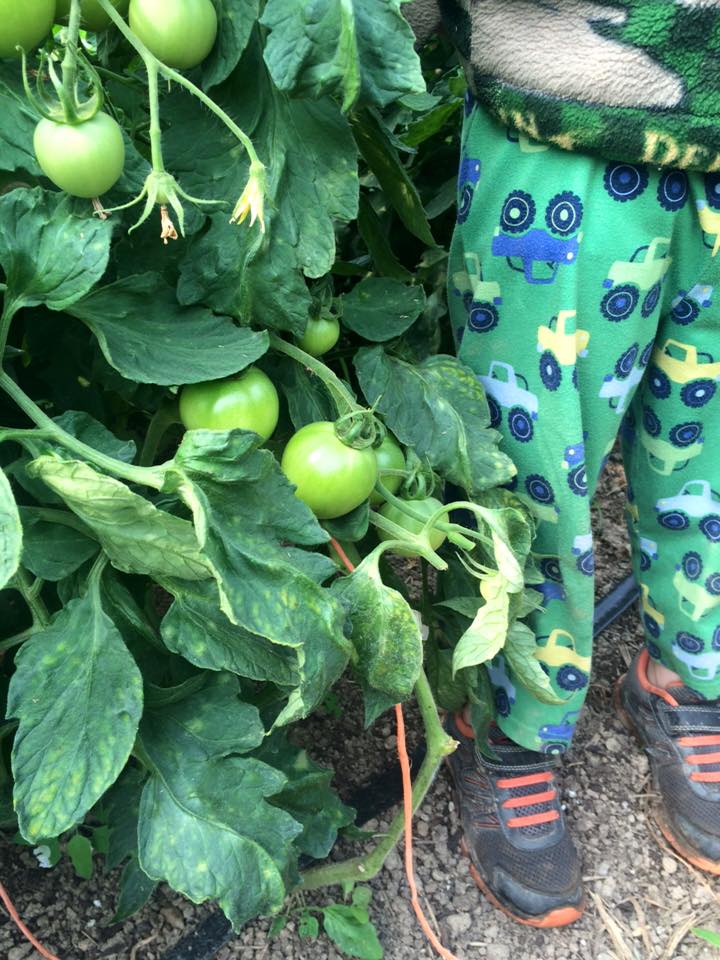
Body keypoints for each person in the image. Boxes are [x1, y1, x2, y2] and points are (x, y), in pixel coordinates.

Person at [406, 0, 720, 929]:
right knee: (536, 460)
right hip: (563, 128)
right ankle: (514, 722)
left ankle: (688, 675)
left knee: (708, 450)